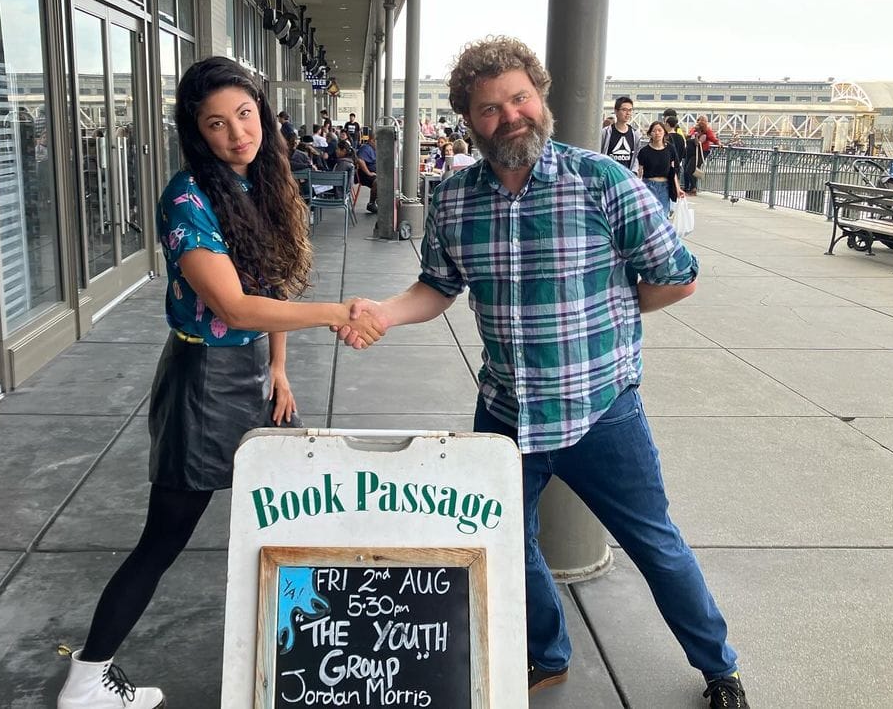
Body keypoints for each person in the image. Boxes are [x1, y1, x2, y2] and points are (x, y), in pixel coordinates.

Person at [337, 37, 749, 708]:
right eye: (491, 108)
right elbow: (438, 286)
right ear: (469, 121)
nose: (511, 116)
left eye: (520, 97)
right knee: (505, 538)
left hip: (601, 411)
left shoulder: (603, 183)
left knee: (655, 543)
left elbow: (679, 278)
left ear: (541, 95)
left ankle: (718, 665)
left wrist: (612, 309)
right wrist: (381, 312)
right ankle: (547, 653)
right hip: (504, 411)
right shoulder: (454, 199)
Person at [56, 57, 384, 709]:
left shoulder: (260, 181)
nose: (237, 133)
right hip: (203, 382)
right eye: (217, 124)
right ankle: (86, 678)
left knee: (282, 516)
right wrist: (336, 314)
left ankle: (298, 661)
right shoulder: (187, 197)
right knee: (163, 539)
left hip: (253, 375)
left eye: (244, 114)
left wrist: (282, 368)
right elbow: (235, 308)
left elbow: (272, 284)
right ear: (197, 133)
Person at [635, 121, 683, 213]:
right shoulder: (644, 151)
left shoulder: (670, 149)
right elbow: (640, 172)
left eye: (660, 130)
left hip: (665, 187)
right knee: (650, 215)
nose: (657, 133)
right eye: (654, 131)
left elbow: (672, 171)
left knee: (663, 215)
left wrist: (678, 188)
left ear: (664, 132)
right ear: (650, 134)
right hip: (648, 185)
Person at [600, 95, 641, 172]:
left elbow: (636, 156)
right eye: (624, 110)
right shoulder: (605, 132)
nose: (628, 113)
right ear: (616, 111)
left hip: (626, 177)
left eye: (630, 110)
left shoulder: (635, 134)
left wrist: (634, 172)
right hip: (609, 176)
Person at [355, 130, 378, 213]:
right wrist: (368, 172)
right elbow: (360, 160)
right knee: (378, 182)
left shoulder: (374, 149)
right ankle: (371, 203)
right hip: (365, 175)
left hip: (374, 173)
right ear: (372, 140)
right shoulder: (365, 148)